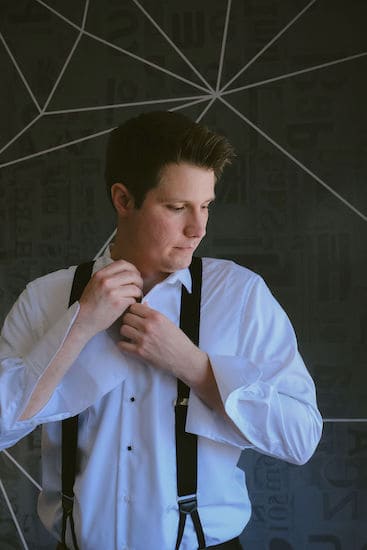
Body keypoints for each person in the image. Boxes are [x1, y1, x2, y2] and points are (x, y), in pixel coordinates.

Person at [0, 111, 322, 550]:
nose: (198, 228)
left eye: (206, 205)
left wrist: (195, 366)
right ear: (123, 199)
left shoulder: (241, 296)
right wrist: (76, 329)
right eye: (177, 208)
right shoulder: (46, 299)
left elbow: (300, 438)